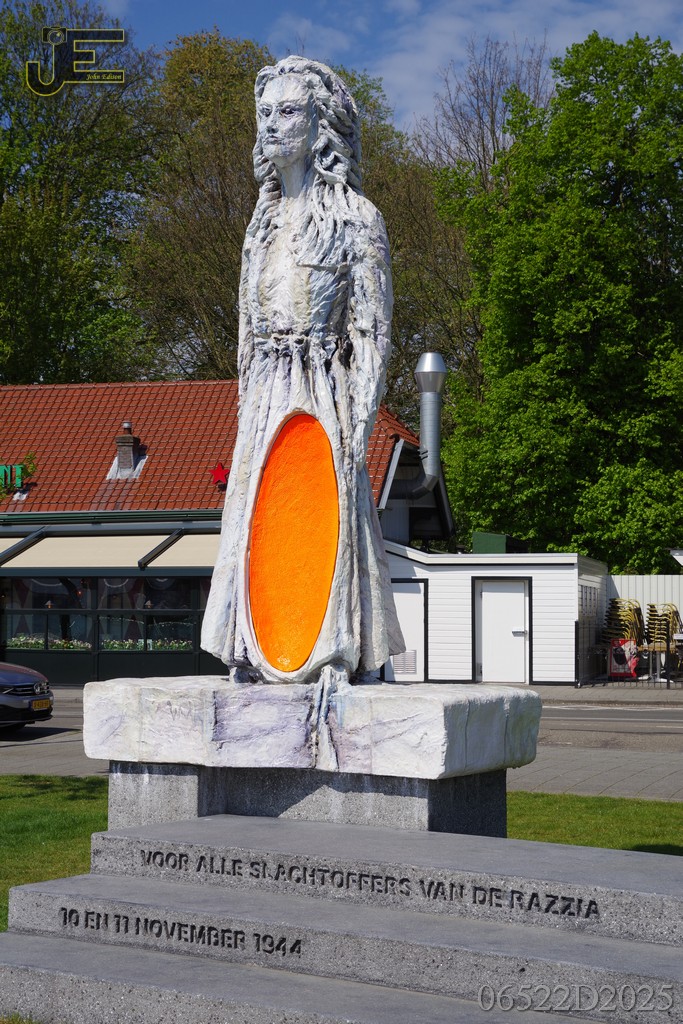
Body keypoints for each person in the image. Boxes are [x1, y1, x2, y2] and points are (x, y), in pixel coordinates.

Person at [201, 57, 404, 683]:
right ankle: (253, 641)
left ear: (320, 128)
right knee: (259, 514)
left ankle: (330, 647)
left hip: (322, 385)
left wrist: (359, 421)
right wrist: (246, 404)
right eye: (264, 113)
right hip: (267, 387)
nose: (271, 125)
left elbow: (371, 332)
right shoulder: (258, 226)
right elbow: (245, 329)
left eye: (287, 112)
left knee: (323, 514)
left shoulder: (357, 219)